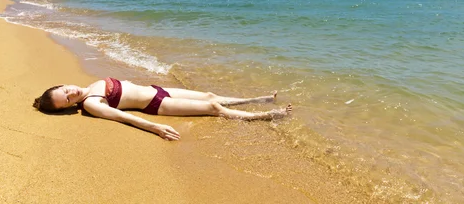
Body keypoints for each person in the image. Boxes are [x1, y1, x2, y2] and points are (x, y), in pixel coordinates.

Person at [33, 77, 292, 141]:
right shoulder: (91, 104)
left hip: (159, 89)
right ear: (69, 108)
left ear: (65, 84)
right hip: (157, 104)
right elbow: (123, 117)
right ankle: (266, 116)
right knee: (213, 107)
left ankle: (259, 100)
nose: (71, 94)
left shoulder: (91, 85)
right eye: (66, 101)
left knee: (210, 95)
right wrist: (155, 127)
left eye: (65, 90)